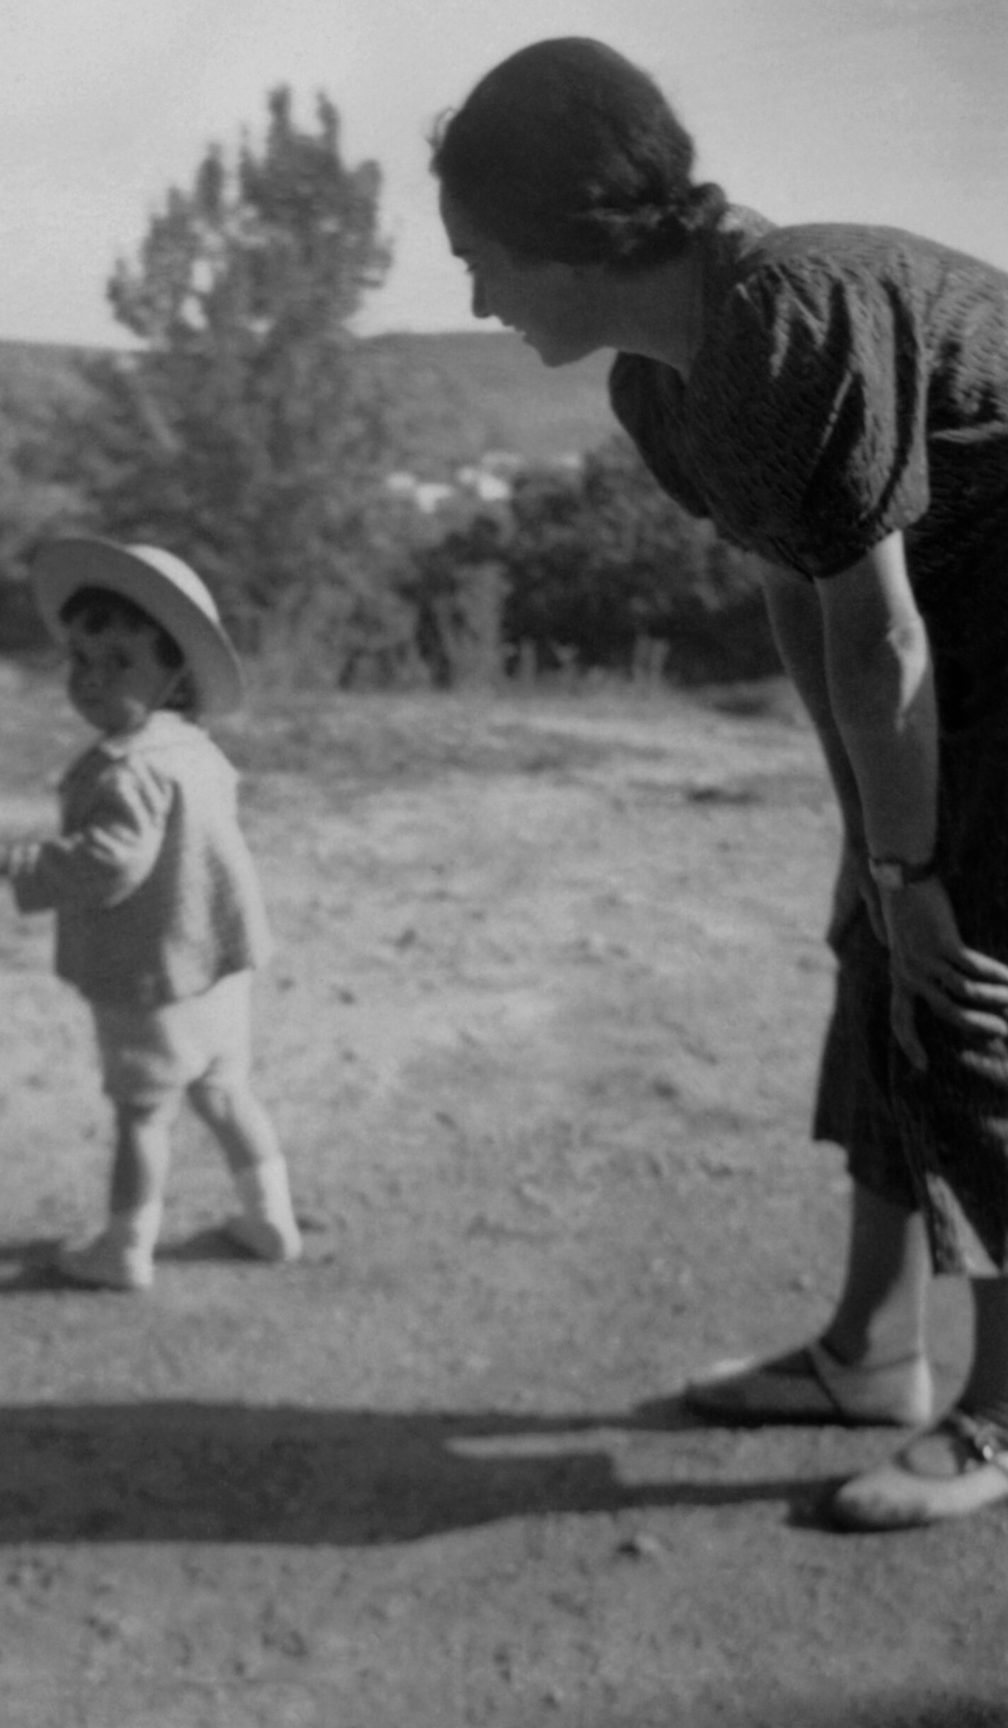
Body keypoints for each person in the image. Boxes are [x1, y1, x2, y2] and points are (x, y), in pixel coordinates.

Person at [431, 37, 1008, 1530]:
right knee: (878, 955)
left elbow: (882, 637)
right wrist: (871, 845)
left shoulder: (788, 315)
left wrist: (917, 871)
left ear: (572, 233)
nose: (477, 300)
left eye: (483, 259)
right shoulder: (663, 387)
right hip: (958, 644)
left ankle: (1004, 1414)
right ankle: (871, 1354)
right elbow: (803, 603)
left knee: (971, 995)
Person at [0, 536, 302, 1292]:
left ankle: (125, 1249)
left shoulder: (126, 770)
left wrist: (26, 863)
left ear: (175, 674)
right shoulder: (197, 750)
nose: (90, 678)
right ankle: (270, 1218)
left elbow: (111, 863)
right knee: (226, 1092)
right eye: (80, 659)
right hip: (218, 966)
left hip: (152, 979)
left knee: (144, 1117)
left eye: (119, 662)